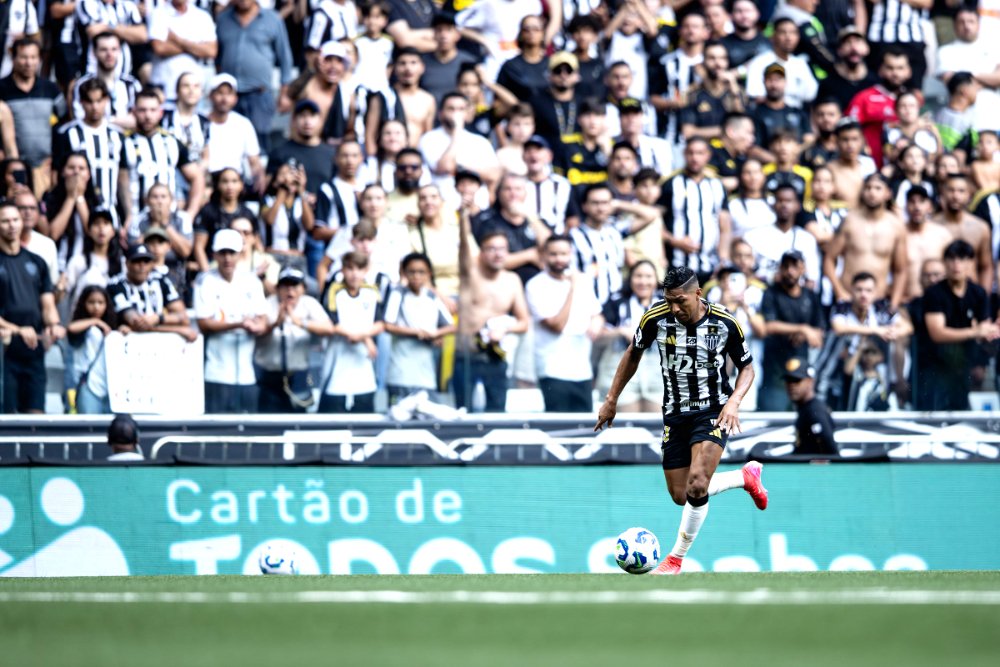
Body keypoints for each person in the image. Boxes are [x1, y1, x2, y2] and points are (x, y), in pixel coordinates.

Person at [594, 266, 766, 576]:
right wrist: (611, 399)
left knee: (698, 483)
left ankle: (675, 559)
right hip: (675, 414)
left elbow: (748, 368)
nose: (674, 308)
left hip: (714, 409)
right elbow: (633, 352)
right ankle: (744, 478)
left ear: (698, 294)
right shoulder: (655, 318)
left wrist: (734, 403)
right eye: (668, 300)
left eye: (679, 301)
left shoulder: (724, 322)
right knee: (681, 495)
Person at [454, 205, 530, 412]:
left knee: (497, 412)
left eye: (502, 249)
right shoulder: (470, 273)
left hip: (495, 356)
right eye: (491, 249)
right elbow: (464, 247)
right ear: (481, 253)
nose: (497, 254)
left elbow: (524, 322)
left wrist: (504, 329)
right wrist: (463, 219)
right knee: (463, 413)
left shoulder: (513, 280)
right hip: (467, 356)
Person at [192, 228, 269, 413]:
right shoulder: (205, 281)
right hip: (216, 371)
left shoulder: (252, 282)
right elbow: (204, 323)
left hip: (247, 372)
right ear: (214, 255)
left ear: (240, 253)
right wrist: (240, 324)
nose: (227, 258)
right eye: (222, 253)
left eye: (231, 253)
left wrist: (256, 327)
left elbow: (263, 320)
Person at [0, 200, 65, 413]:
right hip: (5, 352)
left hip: (33, 349)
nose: (11, 225)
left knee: (36, 416)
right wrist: (18, 329)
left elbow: (47, 304)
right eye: (5, 221)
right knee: (7, 417)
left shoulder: (37, 262)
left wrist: (54, 324)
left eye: (15, 220)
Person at [526, 235, 604, 412]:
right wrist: (572, 288)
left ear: (571, 254)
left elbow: (597, 314)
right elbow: (556, 325)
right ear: (544, 255)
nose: (559, 259)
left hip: (582, 369)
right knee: (558, 428)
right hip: (552, 369)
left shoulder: (582, 280)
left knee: (584, 430)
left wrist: (597, 323)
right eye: (553, 254)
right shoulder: (536, 285)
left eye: (563, 253)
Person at [922, 240, 1000, 411]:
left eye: (962, 259)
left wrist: (990, 332)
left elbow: (984, 329)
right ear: (945, 263)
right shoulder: (934, 293)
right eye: (952, 259)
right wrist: (974, 331)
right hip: (937, 363)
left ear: (971, 262)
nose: (956, 264)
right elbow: (937, 333)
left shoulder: (978, 292)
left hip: (968, 363)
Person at [215, 0, 294, 153]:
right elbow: (218, 58)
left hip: (259, 95)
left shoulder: (272, 19)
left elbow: (285, 59)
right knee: (229, 145)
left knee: (259, 147)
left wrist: (285, 94)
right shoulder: (223, 19)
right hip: (230, 95)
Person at [823, 174, 908, 312]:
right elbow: (829, 259)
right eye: (868, 188)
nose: (872, 192)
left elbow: (901, 270)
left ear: (888, 193)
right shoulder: (849, 221)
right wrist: (839, 292)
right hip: (848, 296)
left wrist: (894, 303)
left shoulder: (896, 226)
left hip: (878, 299)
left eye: (878, 188)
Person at [254, 267, 334, 413]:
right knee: (268, 425)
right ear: (278, 288)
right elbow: (257, 332)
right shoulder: (267, 304)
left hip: (299, 375)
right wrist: (276, 323)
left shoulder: (309, 304)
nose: (290, 291)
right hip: (270, 375)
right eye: (285, 286)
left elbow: (329, 329)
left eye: (295, 286)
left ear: (303, 288)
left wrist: (300, 323)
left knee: (299, 424)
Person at [382, 252, 457, 404]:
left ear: (429, 274)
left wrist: (435, 334)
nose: (416, 276)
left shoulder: (431, 297)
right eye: (412, 272)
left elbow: (451, 326)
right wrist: (417, 333)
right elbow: (388, 325)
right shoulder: (397, 294)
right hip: (400, 371)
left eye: (421, 272)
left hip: (426, 373)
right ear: (404, 273)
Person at [757, 251, 825, 411]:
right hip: (776, 371)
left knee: (804, 421)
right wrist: (802, 329)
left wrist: (805, 334)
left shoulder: (810, 296)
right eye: (786, 266)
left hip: (803, 373)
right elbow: (769, 326)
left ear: (803, 269)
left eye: (795, 266)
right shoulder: (771, 293)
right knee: (773, 419)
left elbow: (820, 330)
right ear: (780, 268)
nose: (790, 271)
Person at [124, 89, 206, 220]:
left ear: (160, 113)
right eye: (142, 110)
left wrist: (190, 215)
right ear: (134, 112)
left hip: (170, 220)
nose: (148, 115)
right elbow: (120, 181)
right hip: (136, 219)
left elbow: (197, 177)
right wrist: (128, 215)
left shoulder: (171, 142)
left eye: (152, 110)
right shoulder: (123, 142)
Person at [320, 250, 385, 413]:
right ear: (342, 270)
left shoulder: (371, 292)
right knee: (333, 407)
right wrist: (363, 338)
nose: (354, 274)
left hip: (363, 360)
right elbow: (333, 323)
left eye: (359, 269)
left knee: (364, 408)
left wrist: (364, 337)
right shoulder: (334, 291)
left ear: (366, 271)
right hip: (338, 357)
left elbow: (380, 323)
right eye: (350, 269)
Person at [0, 39, 66, 185]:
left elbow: (63, 124)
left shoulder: (50, 89)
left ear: (39, 59)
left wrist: (56, 162)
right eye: (24, 57)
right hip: (11, 167)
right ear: (13, 57)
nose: (29, 63)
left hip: (44, 167)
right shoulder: (2, 90)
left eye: (33, 57)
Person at [846, 48, 912, 168]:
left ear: (908, 71)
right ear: (881, 69)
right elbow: (848, 130)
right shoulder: (864, 98)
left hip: (904, 167)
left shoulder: (913, 101)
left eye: (900, 68)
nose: (895, 73)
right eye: (890, 68)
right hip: (869, 165)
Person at [148, 0, 218, 105]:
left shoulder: (202, 16)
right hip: (165, 91)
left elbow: (211, 51)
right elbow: (159, 48)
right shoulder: (158, 13)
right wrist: (195, 45)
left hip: (194, 92)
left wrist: (177, 40)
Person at [205, 73, 265, 193]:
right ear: (211, 96)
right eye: (220, 93)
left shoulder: (243, 123)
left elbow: (254, 161)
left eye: (229, 93)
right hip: (207, 182)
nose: (224, 98)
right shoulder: (200, 121)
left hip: (235, 183)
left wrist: (260, 179)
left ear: (235, 98)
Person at [69, 32, 140, 131]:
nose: (109, 54)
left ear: (120, 51)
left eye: (114, 49)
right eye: (103, 50)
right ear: (94, 52)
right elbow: (81, 119)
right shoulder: (82, 84)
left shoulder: (132, 84)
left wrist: (102, 121)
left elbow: (138, 120)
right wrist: (118, 121)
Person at [933, 174, 994, 290]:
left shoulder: (980, 227)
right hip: (940, 296)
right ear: (943, 193)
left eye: (961, 191)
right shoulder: (932, 225)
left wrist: (984, 298)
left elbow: (986, 267)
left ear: (969, 195)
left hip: (972, 296)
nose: (956, 196)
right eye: (951, 190)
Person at [743, 18, 817, 109]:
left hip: (797, 114)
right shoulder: (760, 63)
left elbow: (811, 94)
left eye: (793, 33)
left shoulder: (800, 63)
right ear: (773, 36)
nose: (788, 38)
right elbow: (754, 94)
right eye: (783, 32)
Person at [67, 287, 113, 414]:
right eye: (91, 302)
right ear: (83, 304)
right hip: (88, 385)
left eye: (100, 302)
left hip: (111, 387)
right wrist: (95, 321)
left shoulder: (110, 327)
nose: (96, 307)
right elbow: (71, 328)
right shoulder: (85, 327)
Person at [783, 357, 838, 456]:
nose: (791, 385)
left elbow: (832, 452)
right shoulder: (805, 408)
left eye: (797, 380)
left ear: (810, 382)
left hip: (815, 471)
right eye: (788, 380)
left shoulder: (815, 410)